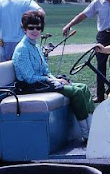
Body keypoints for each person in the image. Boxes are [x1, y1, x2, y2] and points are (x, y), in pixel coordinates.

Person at [13, 10, 94, 143]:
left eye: (38, 28)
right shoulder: (22, 49)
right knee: (76, 92)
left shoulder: (35, 46)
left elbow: (45, 70)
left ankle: (92, 127)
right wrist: (51, 80)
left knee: (83, 87)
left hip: (42, 83)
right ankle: (86, 135)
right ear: (24, 29)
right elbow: (29, 78)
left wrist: (55, 79)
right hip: (31, 87)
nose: (35, 31)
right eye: (31, 28)